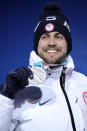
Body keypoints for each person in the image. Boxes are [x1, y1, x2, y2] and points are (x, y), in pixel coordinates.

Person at [0, 2, 87, 131]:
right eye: (45, 37)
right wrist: (5, 98)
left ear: (68, 43)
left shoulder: (83, 82)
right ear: (37, 44)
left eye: (59, 37)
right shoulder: (17, 88)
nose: (51, 43)